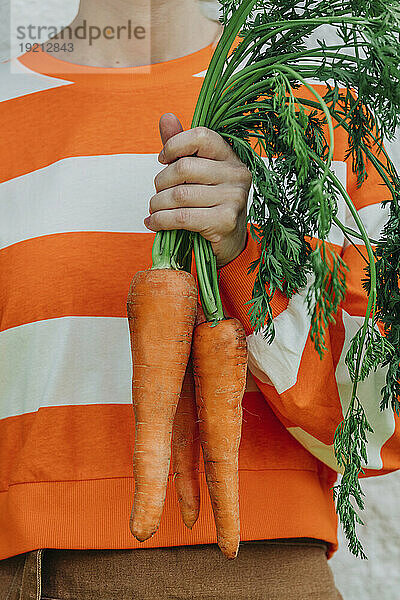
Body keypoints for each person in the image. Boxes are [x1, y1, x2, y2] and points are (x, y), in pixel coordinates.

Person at [0, 1, 398, 598]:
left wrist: (247, 252)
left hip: (254, 571)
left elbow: (377, 423)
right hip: (26, 570)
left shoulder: (320, 115)